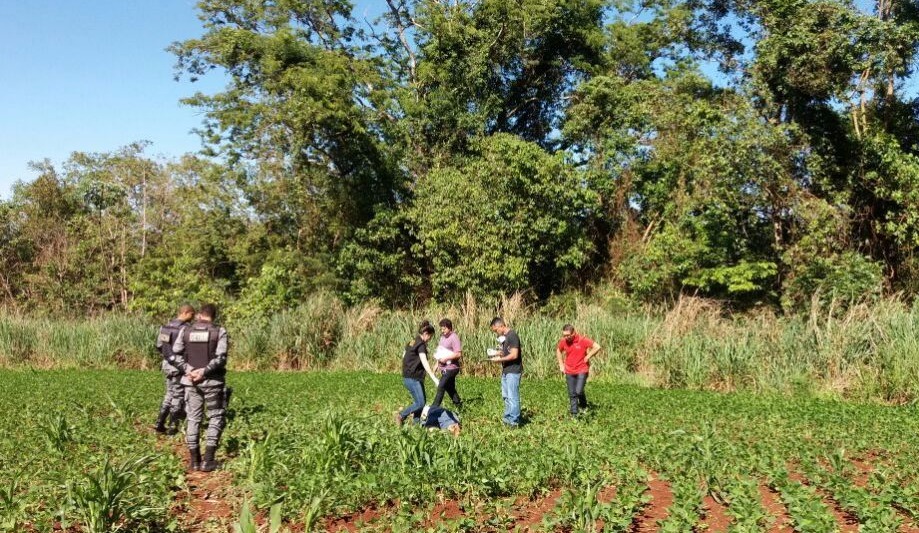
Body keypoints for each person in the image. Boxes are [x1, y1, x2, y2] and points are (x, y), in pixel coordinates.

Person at [172, 304, 229, 472]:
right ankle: (209, 460)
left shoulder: (186, 331)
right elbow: (221, 358)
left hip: (190, 382)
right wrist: (203, 372)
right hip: (212, 382)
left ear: (199, 315)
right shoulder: (219, 332)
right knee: (216, 417)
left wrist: (189, 371)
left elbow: (175, 354)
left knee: (193, 418)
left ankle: (194, 461)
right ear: (214, 316)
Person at [154, 304, 195, 435]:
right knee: (178, 395)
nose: (193, 317)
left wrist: (168, 356)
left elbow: (159, 346)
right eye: (192, 314)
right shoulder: (186, 329)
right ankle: (172, 427)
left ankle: (159, 423)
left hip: (167, 365)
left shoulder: (165, 327)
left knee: (169, 393)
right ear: (186, 313)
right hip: (179, 366)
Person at [395, 320, 438, 426]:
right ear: (426, 334)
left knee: (420, 403)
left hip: (408, 376)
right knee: (420, 403)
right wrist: (435, 379)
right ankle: (401, 415)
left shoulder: (411, 342)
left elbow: (403, 356)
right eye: (430, 337)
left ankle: (416, 425)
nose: (429, 340)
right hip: (413, 378)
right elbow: (425, 364)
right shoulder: (421, 345)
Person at [556, 324, 601, 417]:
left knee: (579, 391)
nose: (566, 337)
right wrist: (561, 364)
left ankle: (583, 406)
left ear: (574, 333)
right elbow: (558, 350)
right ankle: (574, 414)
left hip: (582, 369)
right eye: (564, 335)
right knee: (572, 393)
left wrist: (588, 356)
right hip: (569, 370)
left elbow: (597, 347)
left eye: (568, 335)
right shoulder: (563, 341)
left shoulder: (582, 340)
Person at [488, 317, 522, 428]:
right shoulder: (505, 337)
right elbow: (506, 352)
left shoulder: (512, 336)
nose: (496, 333)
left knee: (512, 396)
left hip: (513, 370)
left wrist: (499, 360)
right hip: (506, 371)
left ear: (501, 326)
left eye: (495, 330)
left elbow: (514, 355)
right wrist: (497, 353)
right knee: (506, 396)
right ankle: (507, 418)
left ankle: (514, 421)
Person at [431, 318, 462, 409]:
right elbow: (440, 352)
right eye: (441, 329)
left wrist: (446, 358)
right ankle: (459, 405)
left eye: (444, 328)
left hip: (451, 368)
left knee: (441, 386)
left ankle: (433, 408)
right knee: (450, 388)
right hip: (443, 367)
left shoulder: (454, 337)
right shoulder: (442, 338)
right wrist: (436, 364)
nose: (442, 330)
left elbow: (458, 354)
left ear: (449, 328)